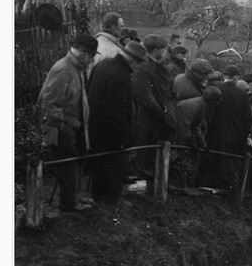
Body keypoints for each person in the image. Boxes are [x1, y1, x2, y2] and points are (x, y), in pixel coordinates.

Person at [36, 34, 98, 212]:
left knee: (76, 161)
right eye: (91, 56)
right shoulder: (63, 69)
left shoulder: (75, 68)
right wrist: (64, 125)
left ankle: (74, 196)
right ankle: (69, 203)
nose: (92, 60)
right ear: (83, 53)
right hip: (60, 128)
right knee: (67, 164)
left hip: (72, 125)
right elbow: (49, 103)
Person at [86, 40, 147, 203]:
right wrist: (123, 135)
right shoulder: (120, 75)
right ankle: (111, 202)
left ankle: (100, 200)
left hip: (96, 127)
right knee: (112, 169)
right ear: (133, 60)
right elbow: (117, 109)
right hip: (111, 132)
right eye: (139, 63)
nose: (138, 67)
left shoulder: (103, 65)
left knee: (100, 169)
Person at [132, 35, 178, 180]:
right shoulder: (145, 68)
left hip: (156, 117)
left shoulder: (152, 66)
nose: (164, 52)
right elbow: (146, 98)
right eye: (162, 49)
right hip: (150, 119)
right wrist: (162, 113)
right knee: (148, 157)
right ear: (155, 50)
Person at [206, 66, 252, 202]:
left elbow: (210, 115)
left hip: (216, 136)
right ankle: (233, 200)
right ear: (236, 77)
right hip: (236, 137)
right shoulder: (242, 95)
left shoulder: (217, 91)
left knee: (216, 165)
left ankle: (215, 201)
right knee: (234, 168)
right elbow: (247, 119)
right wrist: (244, 135)